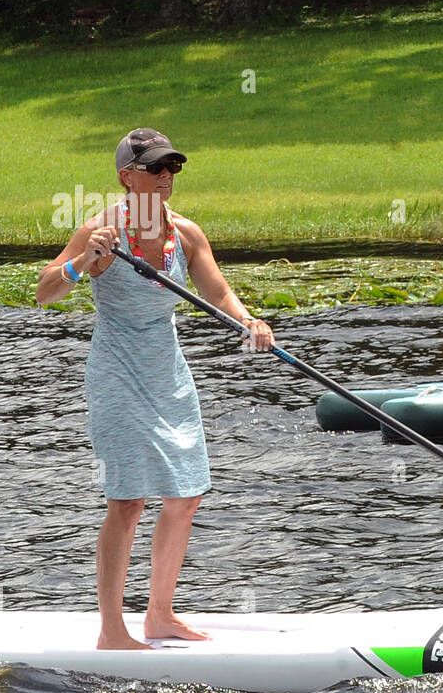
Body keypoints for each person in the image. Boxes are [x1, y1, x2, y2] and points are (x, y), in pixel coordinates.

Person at [36, 129, 274, 650]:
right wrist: (82, 263)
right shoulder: (100, 231)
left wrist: (247, 320)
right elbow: (45, 292)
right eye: (156, 168)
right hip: (116, 371)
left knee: (186, 495)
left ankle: (160, 616)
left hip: (168, 371)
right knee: (128, 501)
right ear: (127, 176)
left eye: (173, 168)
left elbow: (217, 290)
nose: (167, 176)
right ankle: (112, 631)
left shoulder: (185, 233)